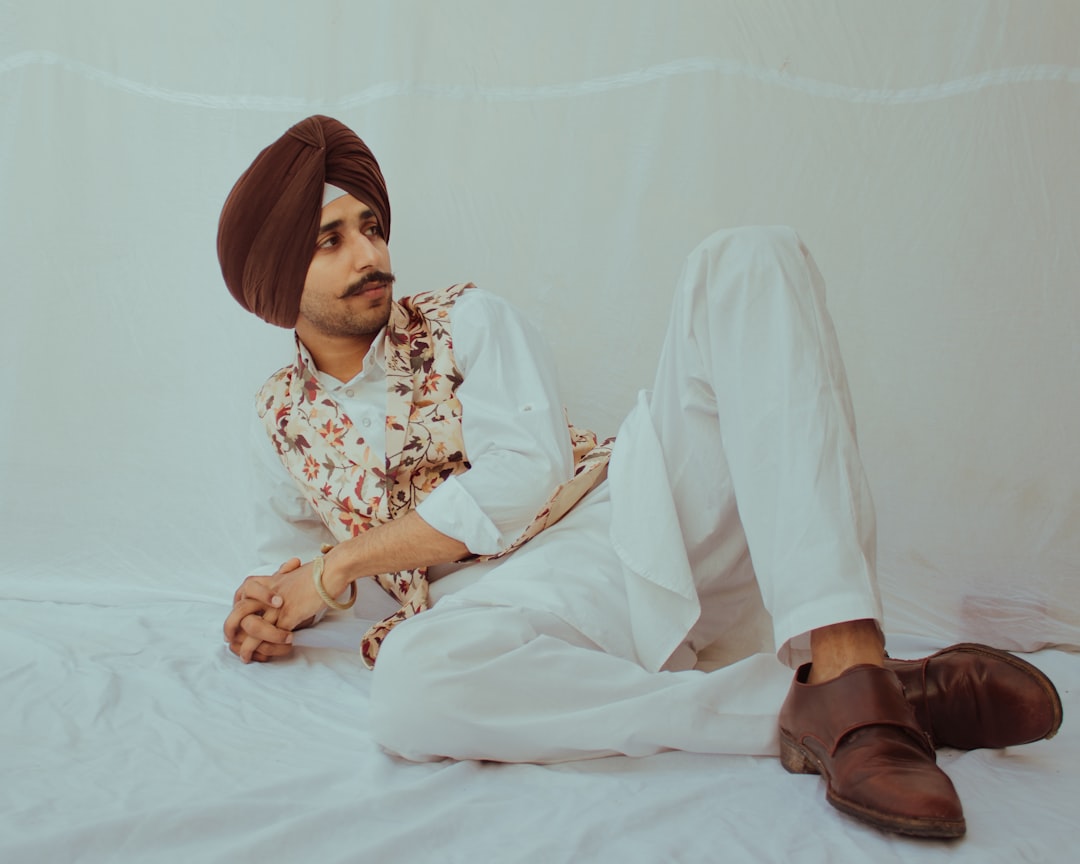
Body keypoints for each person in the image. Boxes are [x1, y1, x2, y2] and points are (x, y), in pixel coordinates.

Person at [217, 115, 1062, 839]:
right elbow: (296, 575)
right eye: (332, 241)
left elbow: (523, 477)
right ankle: (857, 708)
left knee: (745, 257)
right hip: (499, 614)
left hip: (626, 519)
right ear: (276, 278)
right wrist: (272, 610)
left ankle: (847, 657)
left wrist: (333, 570)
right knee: (407, 693)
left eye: (371, 226)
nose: (371, 253)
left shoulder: (467, 319)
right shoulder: (275, 421)